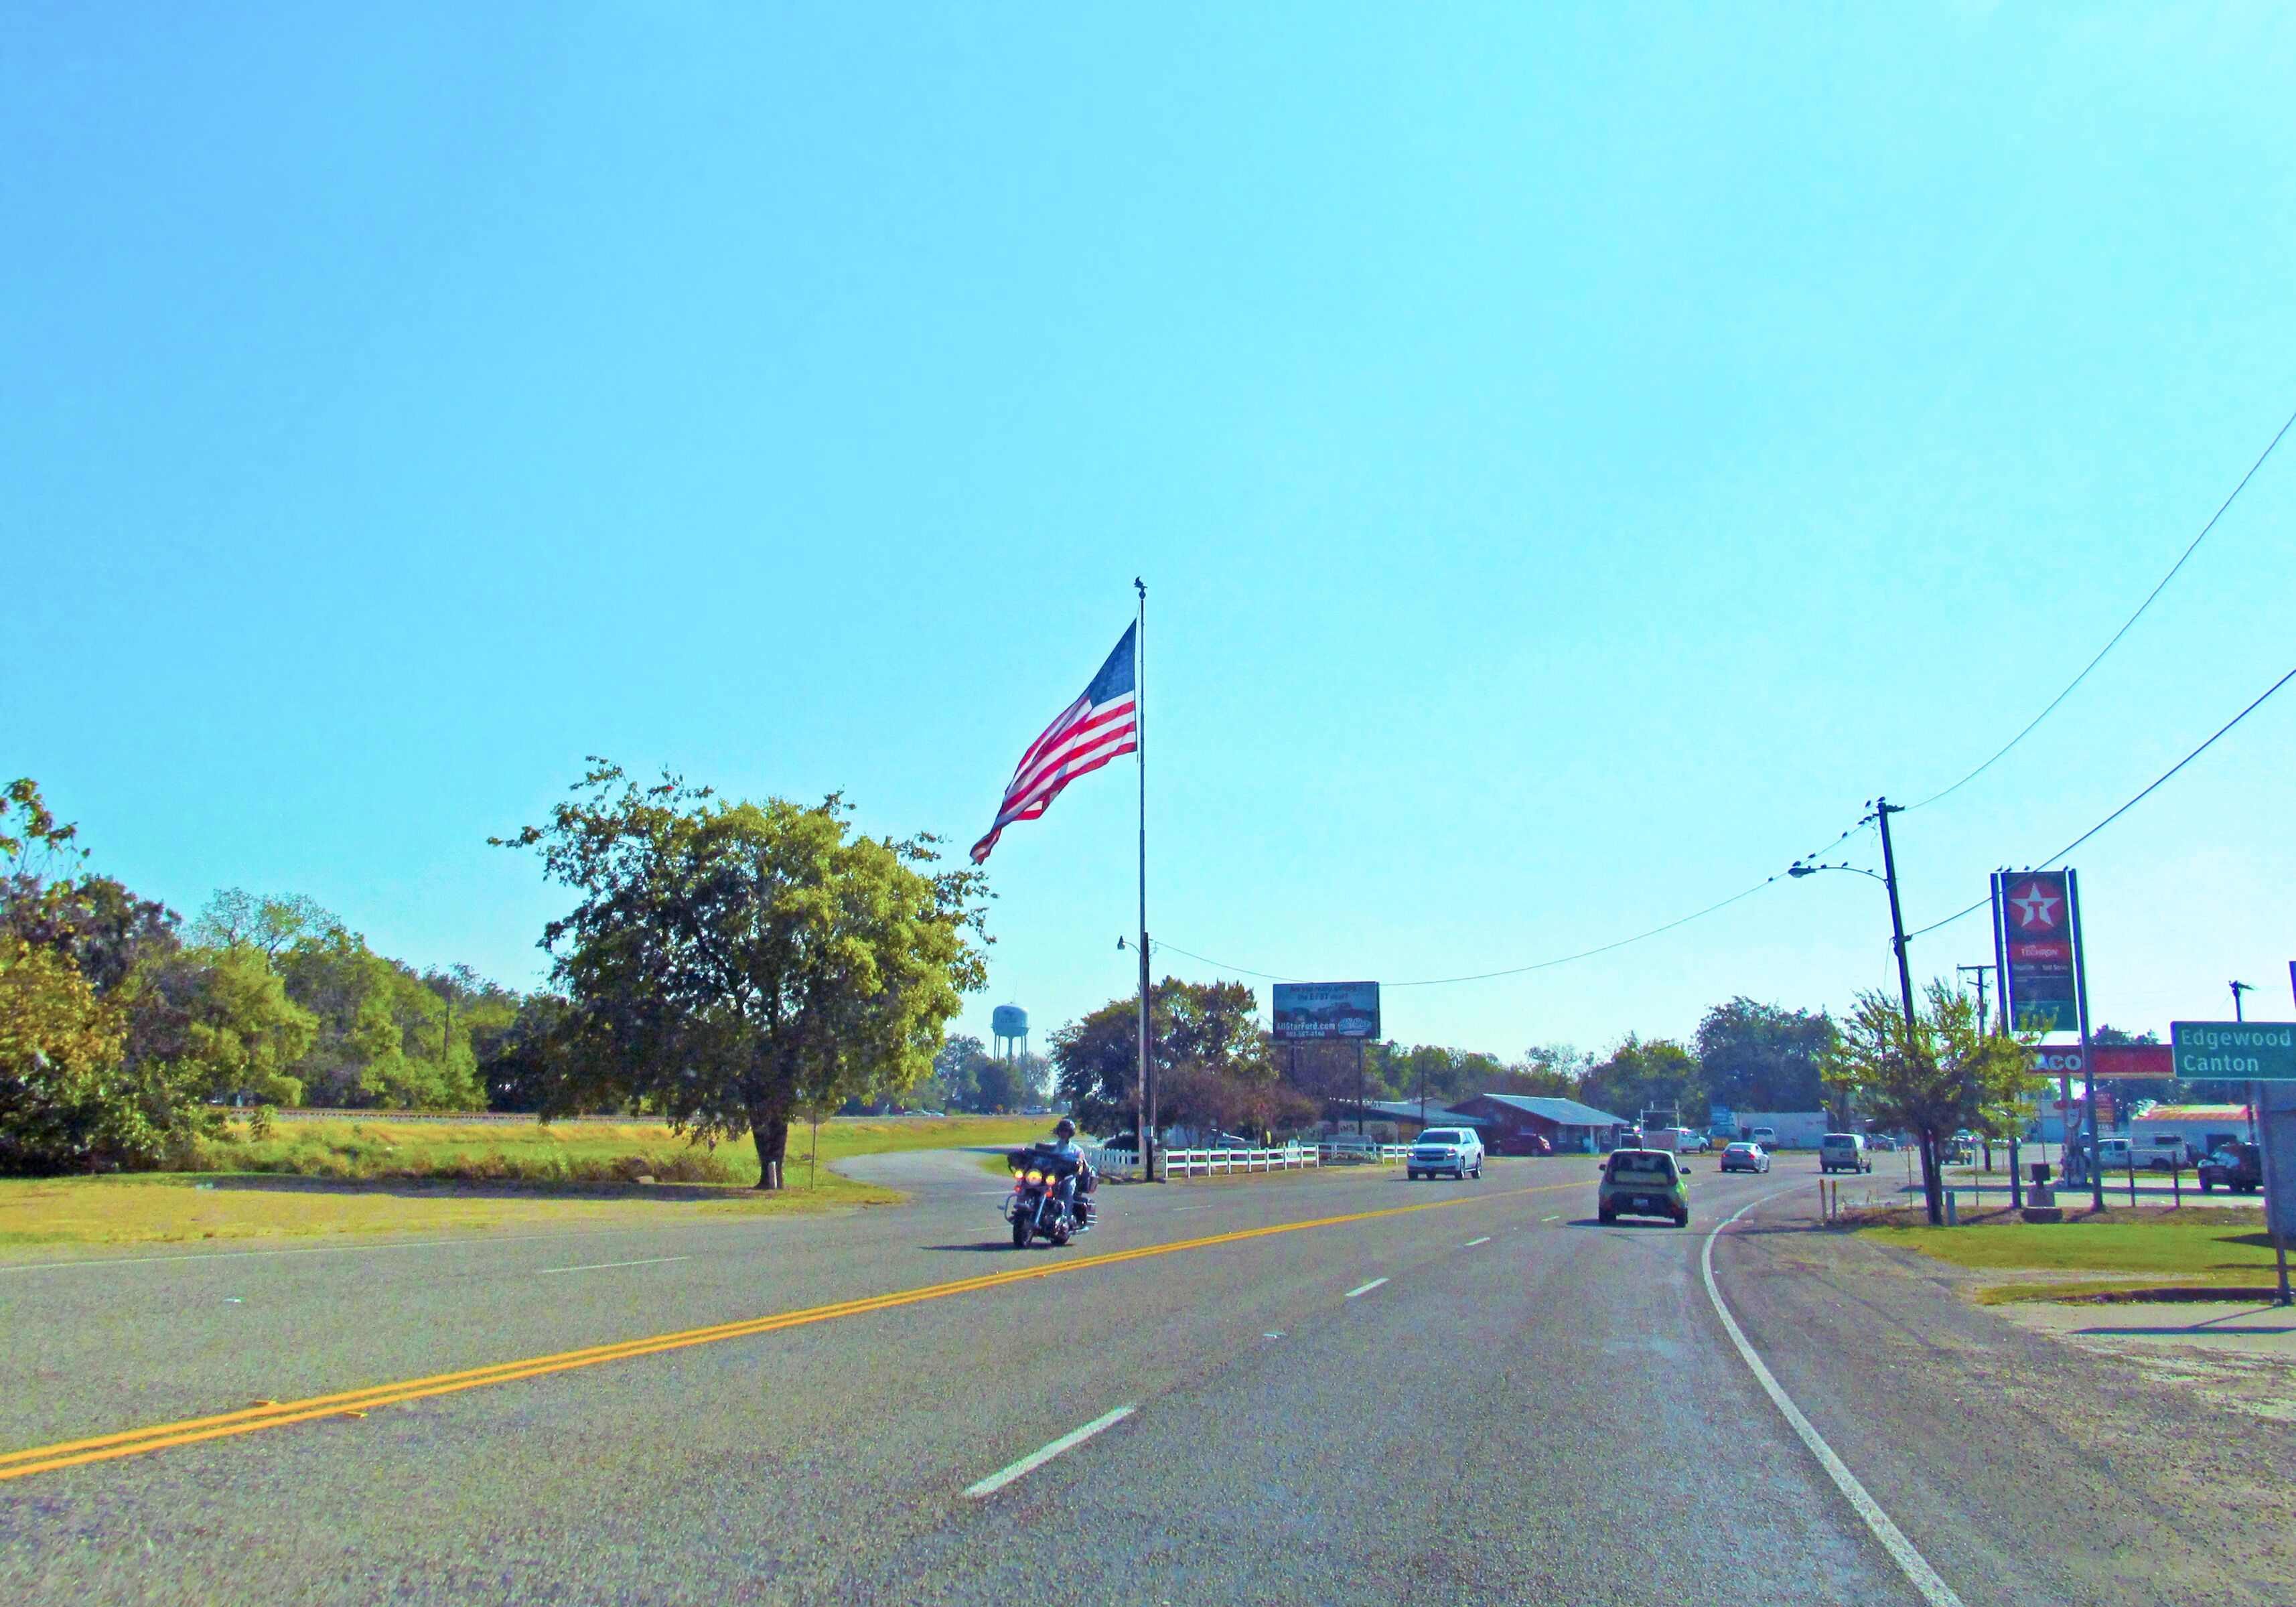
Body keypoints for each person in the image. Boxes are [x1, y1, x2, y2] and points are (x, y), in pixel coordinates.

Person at [1048, 1118, 1094, 1225]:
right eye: (1062, 1131)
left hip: (1068, 1176)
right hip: (1053, 1176)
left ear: (1071, 1133)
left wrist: (1079, 1167)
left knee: (1068, 1188)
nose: (1064, 1133)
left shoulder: (1076, 1150)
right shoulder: (1053, 1148)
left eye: (1066, 1131)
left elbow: (1081, 1162)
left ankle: (1066, 1218)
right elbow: (1043, 1158)